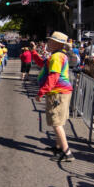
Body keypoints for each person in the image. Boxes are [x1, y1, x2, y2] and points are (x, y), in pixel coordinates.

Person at [30, 32, 75, 162]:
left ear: (57, 44)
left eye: (50, 41)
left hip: (58, 93)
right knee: (57, 122)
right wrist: (34, 52)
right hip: (59, 92)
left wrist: (41, 92)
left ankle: (67, 152)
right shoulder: (56, 56)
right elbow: (41, 63)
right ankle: (58, 147)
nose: (47, 43)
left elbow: (53, 77)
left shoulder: (57, 57)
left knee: (56, 123)